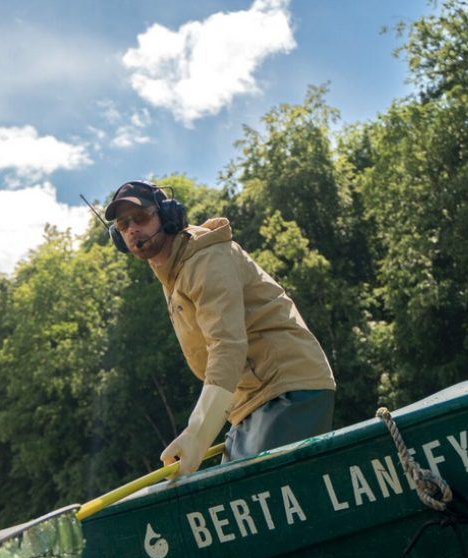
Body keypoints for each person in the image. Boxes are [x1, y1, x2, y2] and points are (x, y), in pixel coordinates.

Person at [104, 179, 336, 474]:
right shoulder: (172, 273)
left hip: (286, 389)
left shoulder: (204, 257)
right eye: (123, 225)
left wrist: (197, 434)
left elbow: (227, 345)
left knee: (255, 495)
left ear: (168, 214)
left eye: (141, 217)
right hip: (249, 405)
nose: (132, 229)